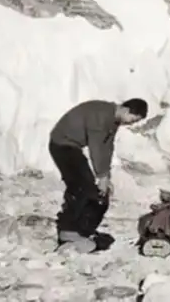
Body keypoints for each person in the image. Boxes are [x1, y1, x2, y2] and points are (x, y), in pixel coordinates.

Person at [49, 98, 148, 252]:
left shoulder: (113, 120)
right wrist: (101, 176)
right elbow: (97, 148)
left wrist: (105, 176)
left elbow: (107, 147)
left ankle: (82, 230)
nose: (131, 124)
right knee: (82, 186)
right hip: (62, 145)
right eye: (133, 120)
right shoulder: (102, 117)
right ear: (126, 110)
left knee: (91, 189)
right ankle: (68, 231)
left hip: (72, 147)